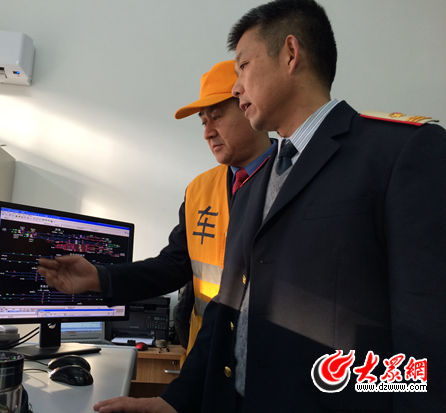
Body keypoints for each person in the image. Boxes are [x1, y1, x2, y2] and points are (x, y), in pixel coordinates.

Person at [94, 1, 446, 412]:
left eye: (243, 65)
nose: (237, 86)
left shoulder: (399, 152)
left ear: (290, 54)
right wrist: (176, 401)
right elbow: (227, 311)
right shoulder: (253, 184)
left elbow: (427, 330)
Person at [37, 61, 273, 360]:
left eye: (216, 117)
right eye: (203, 122)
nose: (207, 133)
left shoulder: (295, 180)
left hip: (268, 359)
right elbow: (173, 266)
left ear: (249, 105)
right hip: (208, 357)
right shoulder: (200, 189)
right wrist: (99, 277)